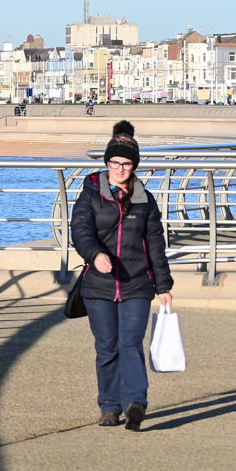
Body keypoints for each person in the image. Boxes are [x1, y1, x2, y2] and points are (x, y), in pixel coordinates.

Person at [68, 122, 174, 431]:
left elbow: (155, 244)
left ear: (134, 166)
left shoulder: (144, 200)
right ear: (107, 163)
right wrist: (95, 255)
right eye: (114, 162)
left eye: (126, 164)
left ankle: (135, 404)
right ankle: (109, 407)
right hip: (98, 286)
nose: (120, 168)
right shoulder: (90, 194)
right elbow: (81, 231)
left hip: (137, 284)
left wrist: (164, 286)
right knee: (107, 347)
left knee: (130, 344)